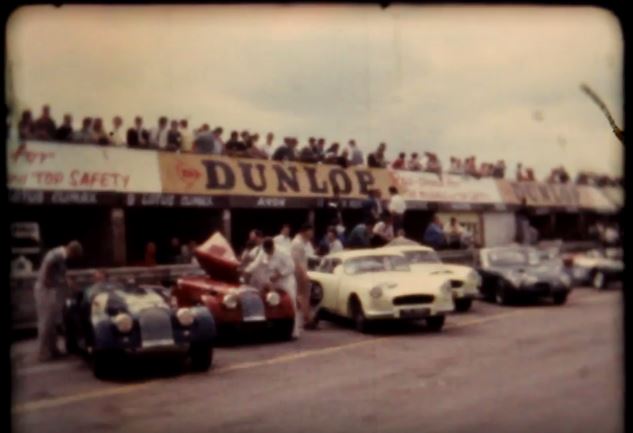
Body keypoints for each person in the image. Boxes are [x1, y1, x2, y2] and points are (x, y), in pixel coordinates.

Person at [34, 240, 83, 361]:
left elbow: (61, 273)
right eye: (74, 256)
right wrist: (47, 281)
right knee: (46, 321)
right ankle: (43, 353)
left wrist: (69, 283)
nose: (72, 258)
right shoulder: (58, 254)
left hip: (49, 290)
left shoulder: (60, 256)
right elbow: (48, 266)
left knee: (52, 322)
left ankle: (53, 349)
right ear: (72, 251)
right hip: (46, 291)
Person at [244, 238, 300, 338]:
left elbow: (291, 267)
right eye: (265, 250)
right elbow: (256, 264)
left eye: (269, 250)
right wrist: (247, 270)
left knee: (291, 302)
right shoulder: (263, 251)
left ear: (273, 247)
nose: (267, 252)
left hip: (286, 280)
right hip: (271, 280)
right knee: (268, 299)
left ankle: (294, 331)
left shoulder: (283, 253)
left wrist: (279, 274)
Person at [290, 223, 316, 330]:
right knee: (302, 296)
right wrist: (304, 274)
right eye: (311, 231)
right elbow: (297, 262)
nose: (312, 233)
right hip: (299, 272)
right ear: (305, 231)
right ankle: (306, 319)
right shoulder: (297, 243)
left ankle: (307, 318)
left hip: (304, 270)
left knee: (305, 296)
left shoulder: (305, 243)